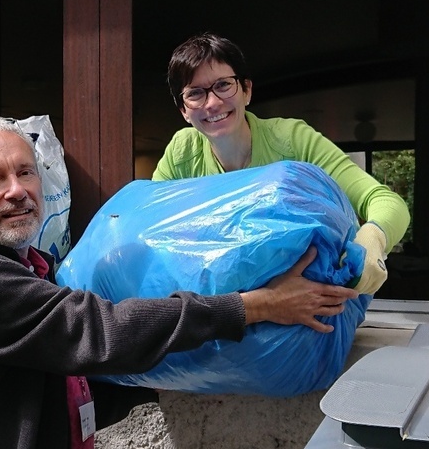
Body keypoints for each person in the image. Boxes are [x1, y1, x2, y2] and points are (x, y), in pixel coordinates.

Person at [0, 115, 359, 449]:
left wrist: (174, 369)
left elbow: (64, 385)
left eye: (25, 172)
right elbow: (98, 331)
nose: (17, 190)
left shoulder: (32, 268)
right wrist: (255, 306)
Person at [154, 32, 411, 295]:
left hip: (305, 312)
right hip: (221, 312)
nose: (212, 102)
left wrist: (373, 238)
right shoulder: (182, 153)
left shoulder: (292, 141)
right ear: (183, 111)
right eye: (195, 93)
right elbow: (146, 226)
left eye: (223, 85)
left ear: (246, 90)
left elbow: (386, 202)